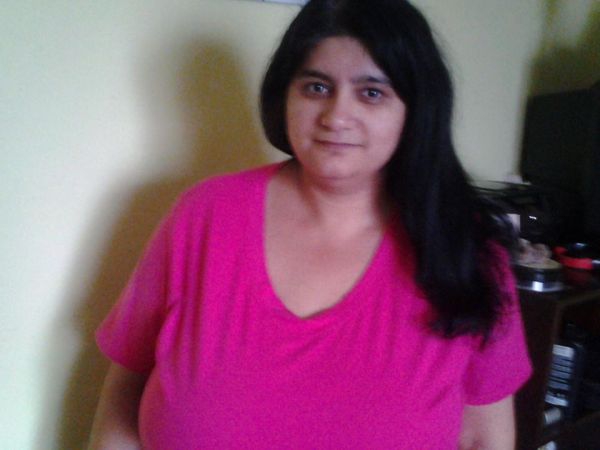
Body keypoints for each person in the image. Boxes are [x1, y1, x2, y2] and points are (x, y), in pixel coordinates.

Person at [89, 0, 532, 448]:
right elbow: (125, 389)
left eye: (371, 93)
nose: (336, 116)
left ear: (415, 110)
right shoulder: (203, 216)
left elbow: (485, 437)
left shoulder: (467, 249)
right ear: (285, 94)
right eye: (317, 87)